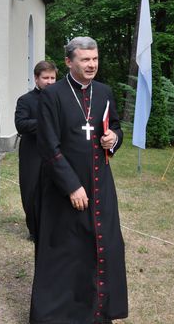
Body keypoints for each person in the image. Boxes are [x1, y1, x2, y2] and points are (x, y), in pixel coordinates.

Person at [30, 37, 128, 324]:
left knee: (103, 247)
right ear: (69, 62)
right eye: (85, 59)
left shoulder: (105, 92)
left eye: (95, 59)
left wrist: (115, 139)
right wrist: (71, 185)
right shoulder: (52, 96)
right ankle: (59, 314)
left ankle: (97, 311)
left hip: (100, 186)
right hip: (64, 188)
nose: (92, 64)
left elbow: (116, 127)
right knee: (66, 252)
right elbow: (48, 146)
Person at [14, 60, 57, 241]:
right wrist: (46, 123)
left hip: (56, 150)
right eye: (45, 78)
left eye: (52, 78)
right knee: (31, 189)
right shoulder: (25, 100)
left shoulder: (61, 98)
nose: (49, 81)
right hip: (32, 152)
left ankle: (53, 227)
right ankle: (34, 229)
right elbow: (21, 124)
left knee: (54, 189)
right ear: (36, 79)